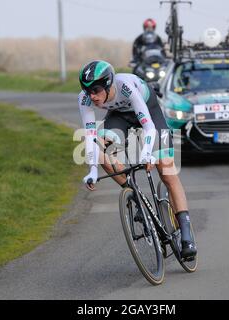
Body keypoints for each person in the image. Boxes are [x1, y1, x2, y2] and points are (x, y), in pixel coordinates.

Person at [78, 60, 197, 260]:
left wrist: (148, 153)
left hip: (150, 113)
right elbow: (90, 136)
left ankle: (186, 233)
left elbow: (149, 127)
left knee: (167, 171)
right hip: (119, 117)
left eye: (96, 90)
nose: (92, 96)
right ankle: (135, 195)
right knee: (99, 149)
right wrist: (92, 170)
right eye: (87, 90)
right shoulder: (85, 99)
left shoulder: (126, 86)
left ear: (108, 84)